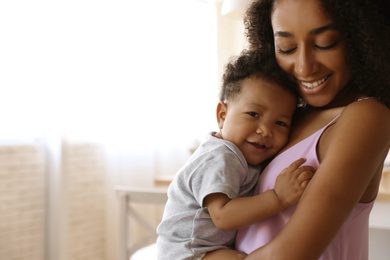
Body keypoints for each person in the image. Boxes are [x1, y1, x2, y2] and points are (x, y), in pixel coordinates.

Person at [217, 0, 390, 259]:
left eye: (325, 43)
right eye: (287, 48)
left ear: (360, 38)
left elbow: (291, 254)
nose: (304, 67)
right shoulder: (289, 119)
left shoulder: (366, 116)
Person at [156, 50, 314, 260]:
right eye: (253, 114)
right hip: (187, 251)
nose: (266, 131)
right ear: (222, 115)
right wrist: (278, 197)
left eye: (280, 123)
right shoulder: (220, 156)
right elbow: (223, 215)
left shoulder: (246, 158)